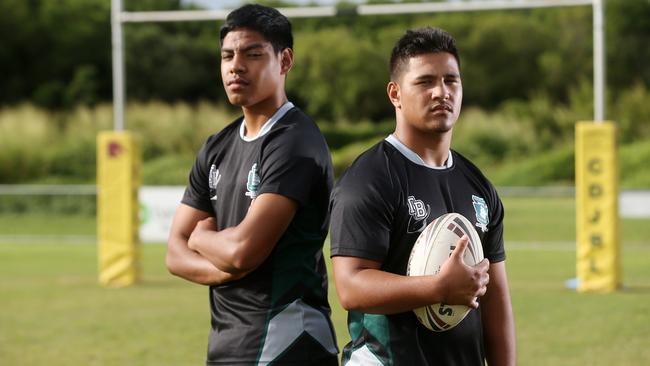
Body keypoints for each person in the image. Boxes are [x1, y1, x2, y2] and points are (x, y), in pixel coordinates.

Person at [329, 27, 516, 365]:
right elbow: (351, 287)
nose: (441, 92)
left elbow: (495, 299)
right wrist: (438, 288)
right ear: (395, 94)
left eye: (451, 80)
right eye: (425, 82)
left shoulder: (479, 185)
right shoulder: (369, 179)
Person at [165, 4, 338, 365]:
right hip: (227, 343)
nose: (236, 65)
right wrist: (229, 268)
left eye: (252, 54)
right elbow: (174, 254)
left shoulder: (295, 143)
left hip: (287, 341)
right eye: (227, 55)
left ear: (285, 60)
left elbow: (243, 250)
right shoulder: (217, 146)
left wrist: (202, 239)